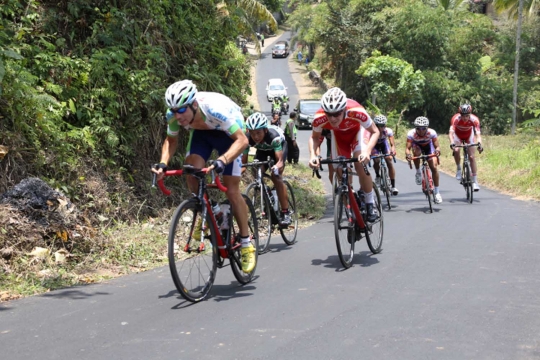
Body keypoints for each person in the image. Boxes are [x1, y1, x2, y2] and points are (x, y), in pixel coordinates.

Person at [151, 79, 256, 273]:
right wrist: (163, 163)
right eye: (174, 110)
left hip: (230, 134)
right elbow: (171, 140)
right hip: (202, 134)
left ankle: (246, 243)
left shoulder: (215, 110)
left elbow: (242, 141)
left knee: (232, 190)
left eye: (182, 110)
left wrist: (223, 160)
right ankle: (213, 210)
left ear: (194, 104)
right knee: (192, 172)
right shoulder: (174, 115)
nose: (177, 115)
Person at [308, 87, 381, 222]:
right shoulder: (319, 118)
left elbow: (375, 131)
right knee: (339, 170)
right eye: (329, 114)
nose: (333, 118)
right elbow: (315, 138)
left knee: (359, 163)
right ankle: (351, 198)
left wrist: (367, 151)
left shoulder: (356, 111)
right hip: (339, 137)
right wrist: (313, 155)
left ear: (344, 110)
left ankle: (370, 203)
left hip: (358, 133)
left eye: (337, 114)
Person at [242, 113, 292, 226]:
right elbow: (243, 162)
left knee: (276, 176)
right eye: (252, 133)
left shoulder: (273, 136)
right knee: (257, 171)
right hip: (263, 151)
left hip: (278, 150)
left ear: (265, 130)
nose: (255, 137)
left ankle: (285, 212)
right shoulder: (247, 138)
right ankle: (267, 192)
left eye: (258, 132)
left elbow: (279, 161)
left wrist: (277, 166)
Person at [405, 116, 443, 204]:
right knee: (417, 153)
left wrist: (437, 151)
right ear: (415, 128)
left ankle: (437, 193)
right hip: (417, 145)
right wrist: (408, 155)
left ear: (427, 127)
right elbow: (407, 148)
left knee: (433, 167)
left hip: (428, 146)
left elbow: (437, 146)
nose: (421, 131)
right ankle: (418, 172)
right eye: (418, 128)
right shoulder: (411, 134)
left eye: (423, 128)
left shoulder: (432, 132)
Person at [449, 104, 484, 191]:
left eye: (467, 116)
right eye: (463, 116)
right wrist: (452, 142)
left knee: (472, 157)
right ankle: (458, 168)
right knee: (456, 150)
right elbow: (451, 133)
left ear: (470, 114)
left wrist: (479, 143)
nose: (465, 118)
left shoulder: (474, 120)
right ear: (460, 115)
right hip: (458, 135)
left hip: (469, 135)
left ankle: (475, 182)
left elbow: (478, 134)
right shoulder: (455, 119)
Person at [370, 115, 399, 195]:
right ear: (374, 125)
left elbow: (392, 144)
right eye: (378, 126)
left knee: (389, 160)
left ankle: (393, 186)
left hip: (384, 144)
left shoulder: (388, 131)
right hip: (374, 145)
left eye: (383, 126)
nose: (380, 128)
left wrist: (393, 150)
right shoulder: (370, 131)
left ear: (385, 125)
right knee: (376, 160)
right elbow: (367, 143)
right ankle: (378, 176)